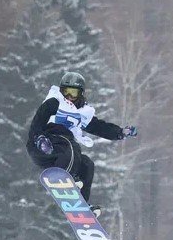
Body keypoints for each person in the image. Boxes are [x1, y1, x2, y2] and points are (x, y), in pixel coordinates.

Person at [26, 71, 137, 216]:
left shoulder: (82, 113)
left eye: (73, 93)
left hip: (61, 154)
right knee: (71, 146)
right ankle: (66, 179)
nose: (69, 97)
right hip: (44, 143)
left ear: (81, 94)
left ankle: (81, 207)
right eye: (66, 92)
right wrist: (40, 139)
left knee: (87, 164)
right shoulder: (54, 102)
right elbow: (37, 121)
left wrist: (120, 132)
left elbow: (99, 127)